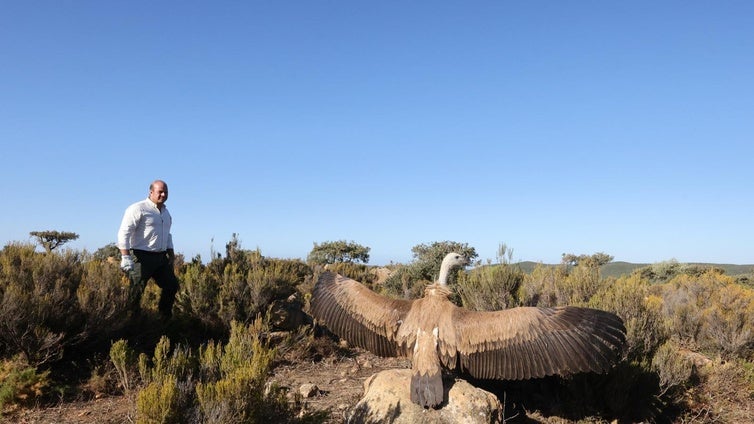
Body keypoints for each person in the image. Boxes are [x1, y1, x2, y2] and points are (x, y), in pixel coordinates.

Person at [117, 179, 179, 318]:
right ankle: (130, 322)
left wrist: (171, 255)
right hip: (140, 257)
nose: (163, 194)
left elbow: (167, 235)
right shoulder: (138, 208)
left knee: (171, 285)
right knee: (135, 292)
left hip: (161, 258)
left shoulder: (166, 213)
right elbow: (124, 232)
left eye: (166, 192)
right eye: (160, 191)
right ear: (151, 192)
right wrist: (125, 257)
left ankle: (164, 318)